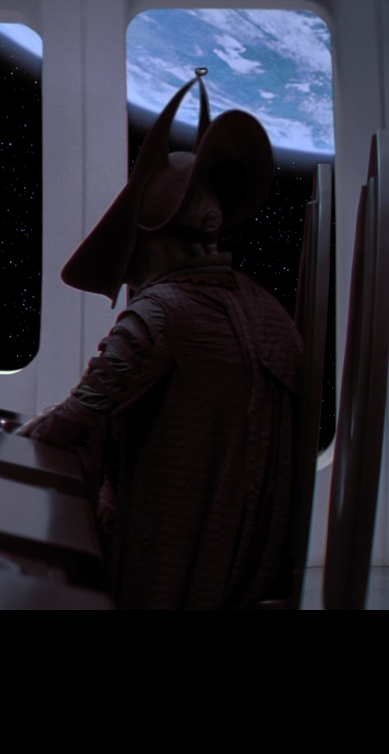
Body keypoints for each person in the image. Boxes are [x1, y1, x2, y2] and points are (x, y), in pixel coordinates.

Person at [19, 70, 301, 609]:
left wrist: (18, 438)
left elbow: (77, 419)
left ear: (149, 241)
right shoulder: (266, 306)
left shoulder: (162, 313)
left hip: (175, 571)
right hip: (251, 570)